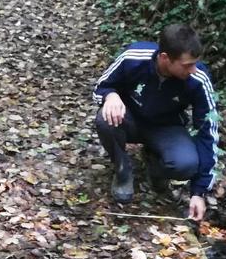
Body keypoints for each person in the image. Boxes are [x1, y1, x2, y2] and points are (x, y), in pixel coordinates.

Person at [92, 24, 218, 221]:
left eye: (195, 63)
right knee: (104, 119)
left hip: (167, 126)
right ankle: (123, 169)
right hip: (130, 118)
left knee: (186, 164)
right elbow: (102, 85)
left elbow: (207, 129)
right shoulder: (134, 57)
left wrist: (198, 192)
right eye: (186, 65)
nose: (193, 70)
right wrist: (111, 96)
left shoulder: (198, 78)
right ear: (165, 58)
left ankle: (156, 165)